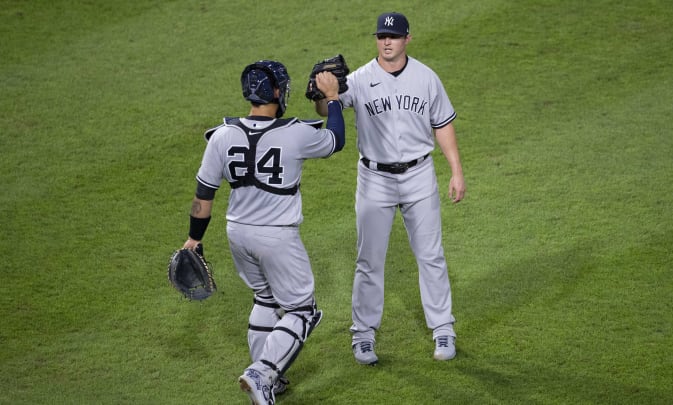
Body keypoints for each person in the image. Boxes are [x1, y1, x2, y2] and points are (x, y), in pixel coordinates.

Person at [181, 60, 345, 405]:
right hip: (277, 237)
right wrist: (331, 98)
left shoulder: (222, 136)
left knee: (266, 299)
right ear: (274, 93)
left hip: (237, 233)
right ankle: (263, 373)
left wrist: (194, 238)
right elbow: (335, 140)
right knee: (302, 311)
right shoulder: (295, 133)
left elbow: (204, 195)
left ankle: (269, 374)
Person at [315, 12, 466, 365]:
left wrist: (456, 171)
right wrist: (322, 94)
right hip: (374, 179)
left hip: (419, 174)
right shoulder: (360, 78)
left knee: (431, 256)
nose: (386, 41)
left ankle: (443, 327)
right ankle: (363, 334)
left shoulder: (426, 78)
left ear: (407, 39)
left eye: (394, 36)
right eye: (382, 35)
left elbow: (442, 125)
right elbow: (328, 108)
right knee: (369, 261)